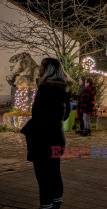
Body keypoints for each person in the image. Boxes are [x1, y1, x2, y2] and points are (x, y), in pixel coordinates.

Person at [20, 58, 71, 209]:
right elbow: (66, 114)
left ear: (47, 71)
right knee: (54, 172)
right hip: (57, 136)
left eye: (41, 68)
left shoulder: (45, 88)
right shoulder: (64, 88)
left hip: (43, 139)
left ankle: (46, 205)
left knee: (43, 175)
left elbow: (37, 114)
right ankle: (56, 202)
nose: (38, 70)